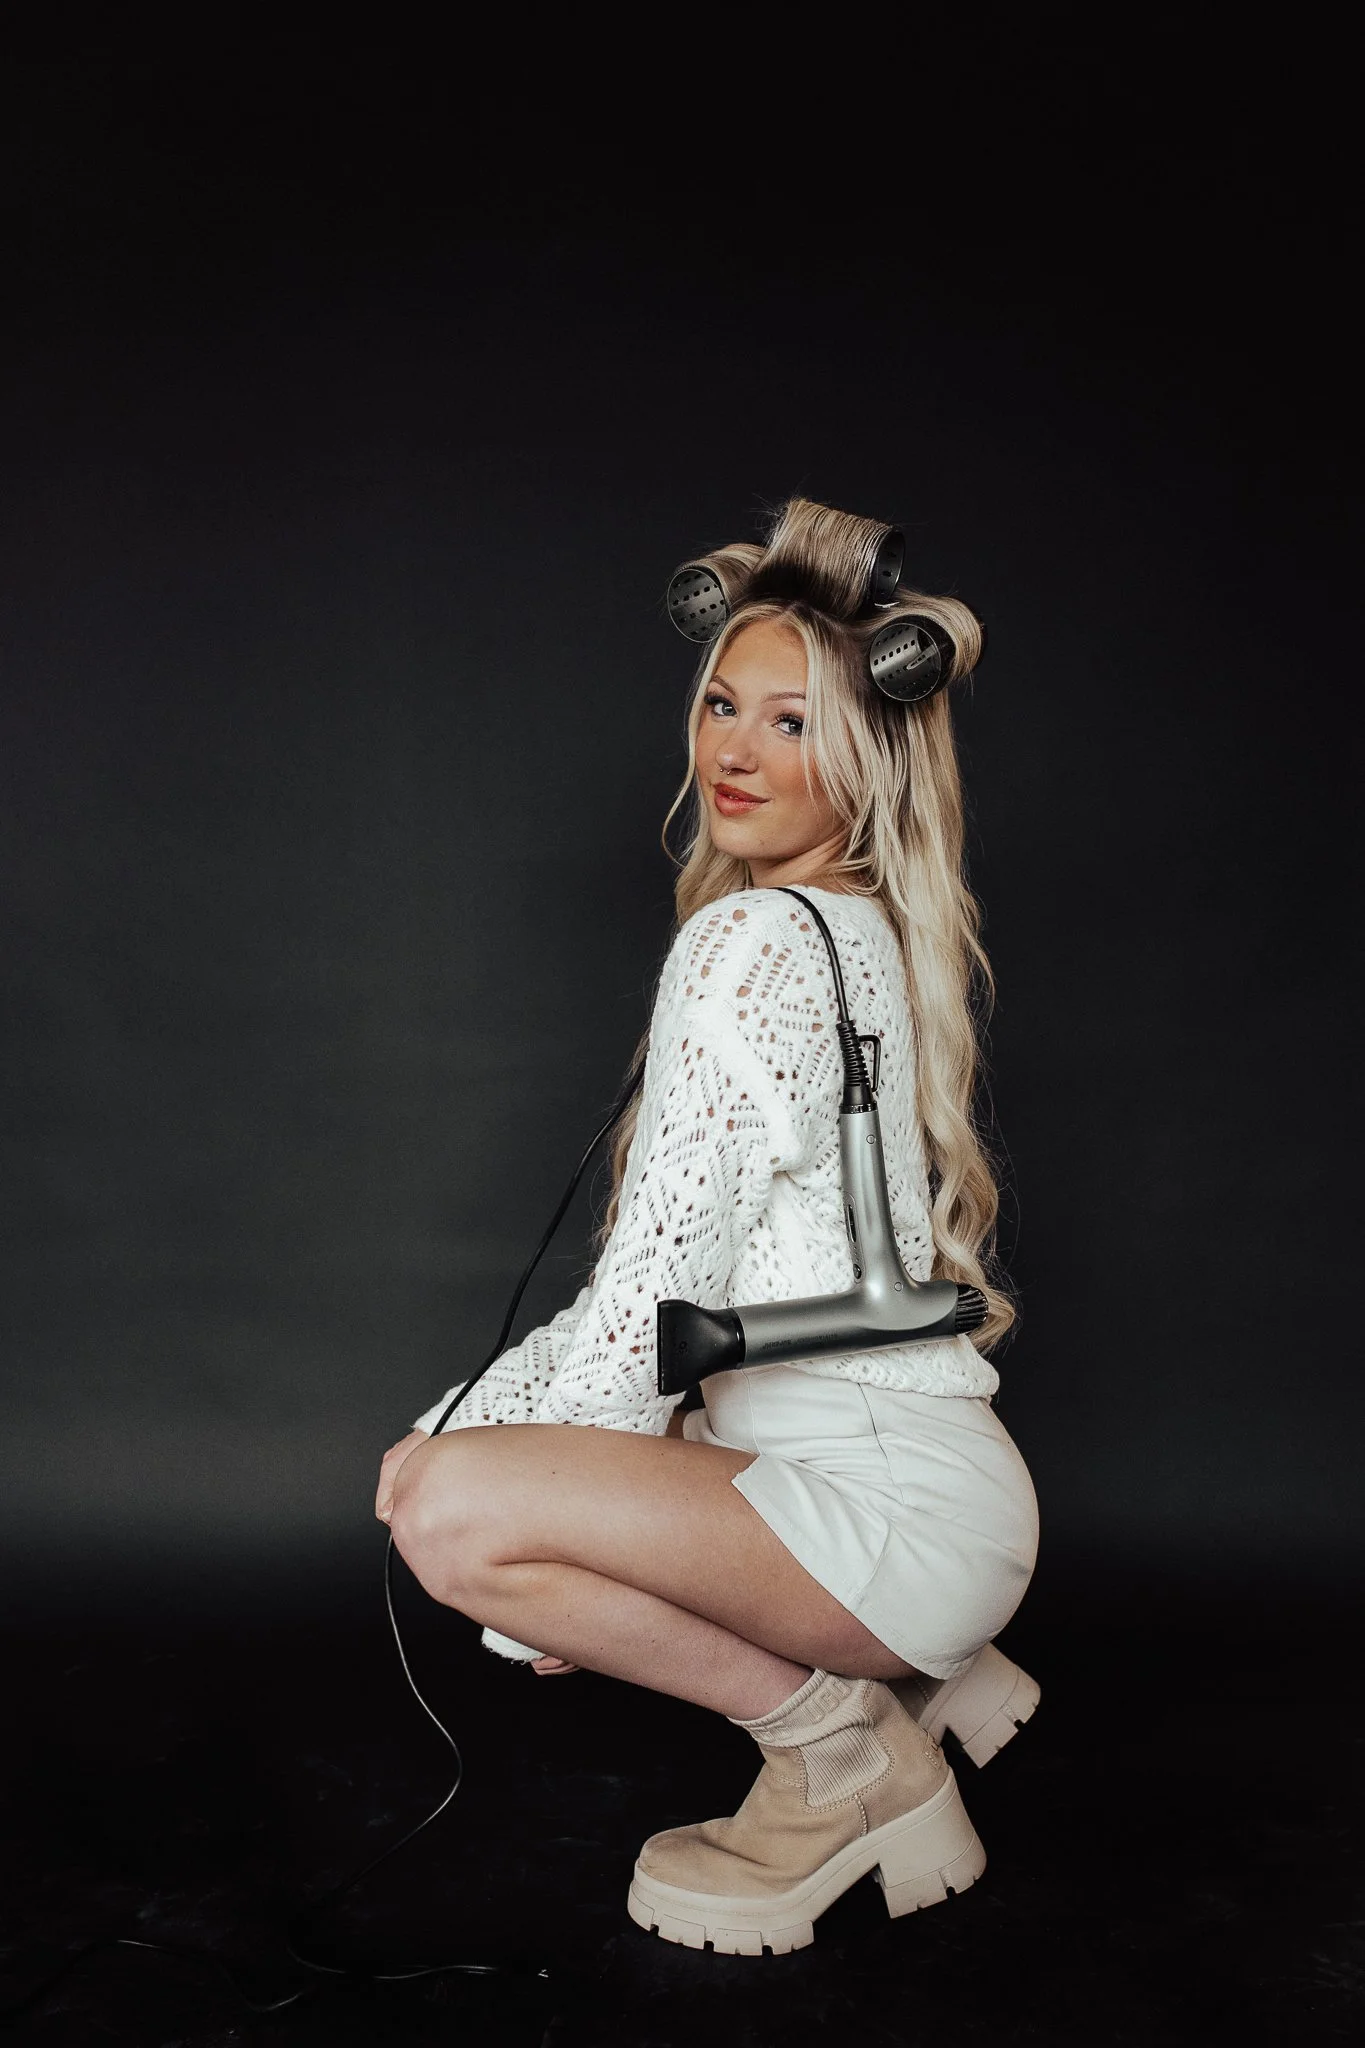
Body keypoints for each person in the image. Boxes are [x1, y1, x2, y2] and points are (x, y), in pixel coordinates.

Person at [372, 497, 1040, 1955]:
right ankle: (936, 1673)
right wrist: (472, 1420)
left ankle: (845, 1757)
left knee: (449, 1515)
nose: (737, 750)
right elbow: (687, 1307)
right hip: (930, 1491)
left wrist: (518, 1542)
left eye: (795, 724)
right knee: (460, 1459)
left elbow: (650, 1299)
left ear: (869, 757)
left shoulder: (744, 944)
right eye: (724, 704)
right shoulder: (858, 926)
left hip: (884, 1516)